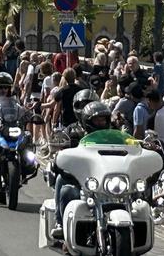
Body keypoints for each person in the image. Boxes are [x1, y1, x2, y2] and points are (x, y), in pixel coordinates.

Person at [49, 100, 116, 240]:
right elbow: (63, 154)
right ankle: (60, 223)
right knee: (65, 187)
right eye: (97, 120)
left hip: (109, 180)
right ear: (88, 121)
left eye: (103, 119)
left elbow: (129, 145)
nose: (101, 123)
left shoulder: (114, 135)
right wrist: (60, 157)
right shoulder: (74, 133)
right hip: (82, 181)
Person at [143, 89, 164, 156]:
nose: (148, 105)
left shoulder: (152, 118)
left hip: (161, 154)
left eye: (148, 102)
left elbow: (148, 141)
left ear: (151, 101)